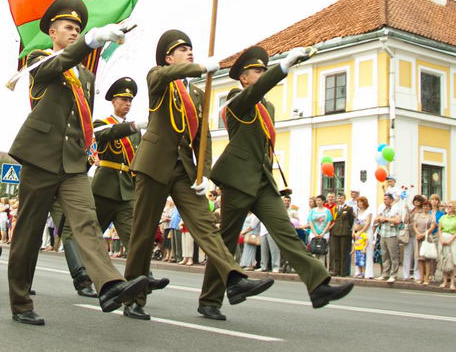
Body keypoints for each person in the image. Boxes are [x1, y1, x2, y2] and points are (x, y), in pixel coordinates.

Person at [6, 0, 150, 326]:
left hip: (72, 163)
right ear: (53, 32)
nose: (74, 32)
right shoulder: (38, 59)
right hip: (40, 158)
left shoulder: (85, 75)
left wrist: (87, 149)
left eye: (79, 29)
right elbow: (59, 65)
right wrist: (90, 41)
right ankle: (20, 300)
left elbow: (80, 117)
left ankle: (110, 285)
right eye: (69, 28)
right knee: (28, 233)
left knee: (85, 221)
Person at [126, 31, 274, 322]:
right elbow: (169, 75)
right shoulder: (158, 77)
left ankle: (233, 277)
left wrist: (202, 173)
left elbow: (201, 136)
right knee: (143, 234)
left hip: (182, 169)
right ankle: (133, 297)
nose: (189, 52)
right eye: (183, 49)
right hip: (154, 164)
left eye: (191, 48)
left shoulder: (197, 92)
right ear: (169, 58)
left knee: (205, 224)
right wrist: (200, 67)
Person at [198, 46, 349, 321]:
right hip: (238, 180)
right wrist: (284, 66)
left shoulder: (268, 106)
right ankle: (210, 299)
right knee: (227, 241)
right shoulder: (236, 99)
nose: (262, 74)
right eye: (257, 71)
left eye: (264, 70)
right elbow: (254, 94)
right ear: (243, 78)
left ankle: (318, 285)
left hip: (263, 181)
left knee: (286, 232)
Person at [90, 77, 144, 261]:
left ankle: (143, 275)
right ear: (114, 101)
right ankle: (86, 276)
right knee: (93, 237)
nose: (127, 103)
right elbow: (106, 133)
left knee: (133, 237)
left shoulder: (136, 132)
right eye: (124, 99)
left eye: (130, 100)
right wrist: (132, 127)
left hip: (126, 191)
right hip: (104, 189)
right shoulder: (101, 123)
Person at [375, 193, 402, 283]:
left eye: (386, 199)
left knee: (393, 256)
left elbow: (398, 220)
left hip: (392, 235)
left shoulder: (395, 208)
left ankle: (393, 275)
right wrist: (379, 218)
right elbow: (377, 218)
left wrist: (386, 219)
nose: (385, 201)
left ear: (391, 200)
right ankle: (385, 274)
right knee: (384, 255)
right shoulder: (383, 208)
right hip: (383, 234)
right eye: (384, 199)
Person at [330, 193, 355, 276]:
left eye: (341, 198)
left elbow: (351, 221)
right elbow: (334, 219)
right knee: (336, 252)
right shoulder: (335, 208)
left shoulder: (349, 208)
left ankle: (343, 271)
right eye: (338, 198)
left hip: (345, 232)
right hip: (336, 231)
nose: (339, 200)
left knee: (344, 252)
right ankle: (336, 270)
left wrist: (348, 228)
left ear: (344, 199)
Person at [413, 199, 437, 285]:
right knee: (419, 259)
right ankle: (421, 277)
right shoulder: (418, 215)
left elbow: (433, 227)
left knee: (426, 259)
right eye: (424, 206)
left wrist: (423, 234)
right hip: (418, 238)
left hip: (427, 238)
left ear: (430, 207)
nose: (425, 208)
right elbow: (414, 225)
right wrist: (418, 234)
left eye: (427, 206)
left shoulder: (431, 216)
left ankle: (427, 278)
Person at [352, 197, 373, 278]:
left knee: (367, 251)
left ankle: (368, 273)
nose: (359, 203)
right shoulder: (357, 212)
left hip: (366, 232)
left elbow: (367, 224)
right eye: (358, 202)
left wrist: (360, 232)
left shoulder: (369, 211)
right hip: (358, 234)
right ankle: (358, 272)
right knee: (358, 251)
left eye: (361, 202)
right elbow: (355, 222)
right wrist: (354, 231)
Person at [437, 201, 456, 290]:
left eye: (450, 206)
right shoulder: (443, 217)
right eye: (447, 206)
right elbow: (439, 229)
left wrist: (450, 240)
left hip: (452, 239)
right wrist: (441, 239)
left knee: (453, 261)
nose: (448, 207)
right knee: (443, 259)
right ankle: (444, 281)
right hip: (443, 238)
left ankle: (452, 282)